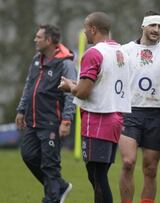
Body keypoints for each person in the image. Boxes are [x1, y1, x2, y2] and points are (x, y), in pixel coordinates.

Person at [58, 11, 131, 203]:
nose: (84, 33)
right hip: (116, 118)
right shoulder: (121, 51)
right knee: (99, 175)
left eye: (85, 28)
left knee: (97, 177)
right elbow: (100, 84)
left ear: (92, 29)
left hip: (98, 119)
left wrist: (69, 86)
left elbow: (83, 92)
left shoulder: (93, 53)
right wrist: (78, 84)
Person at [118, 10, 160, 203]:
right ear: (143, 26)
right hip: (129, 112)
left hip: (156, 114)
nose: (156, 30)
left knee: (151, 169)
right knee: (128, 162)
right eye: (152, 25)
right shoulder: (125, 50)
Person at [15, 24, 76, 203]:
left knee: (50, 165)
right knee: (28, 155)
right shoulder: (36, 59)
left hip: (52, 122)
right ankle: (60, 186)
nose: (35, 40)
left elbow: (71, 95)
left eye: (39, 37)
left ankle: (52, 198)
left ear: (48, 40)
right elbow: (29, 86)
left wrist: (66, 121)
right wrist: (21, 110)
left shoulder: (66, 63)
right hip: (32, 120)